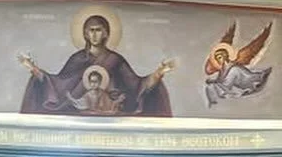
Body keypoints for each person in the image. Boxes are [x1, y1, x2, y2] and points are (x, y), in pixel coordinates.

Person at [18, 14, 172, 117]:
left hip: (111, 117)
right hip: (79, 118)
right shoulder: (77, 59)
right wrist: (33, 69)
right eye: (90, 31)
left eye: (98, 30)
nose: (94, 35)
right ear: (85, 34)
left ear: (106, 33)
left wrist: (159, 72)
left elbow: (136, 85)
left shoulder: (116, 60)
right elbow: (59, 84)